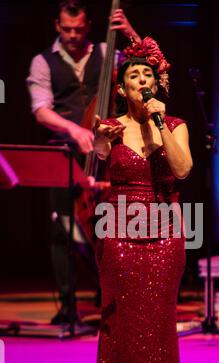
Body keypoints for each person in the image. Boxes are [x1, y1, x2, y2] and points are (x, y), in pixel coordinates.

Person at [91, 36, 193, 363]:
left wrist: (158, 123)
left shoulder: (174, 125)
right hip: (119, 232)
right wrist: (100, 134)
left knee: (157, 324)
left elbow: (182, 169)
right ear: (122, 88)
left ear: (157, 83)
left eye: (147, 74)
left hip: (165, 234)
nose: (141, 80)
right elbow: (97, 150)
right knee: (122, 322)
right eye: (133, 75)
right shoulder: (113, 129)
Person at [26, 0, 140, 325]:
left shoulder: (106, 52)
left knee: (109, 226)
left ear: (88, 25)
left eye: (78, 29)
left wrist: (129, 32)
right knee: (62, 229)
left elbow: (145, 65)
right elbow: (41, 109)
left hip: (106, 154)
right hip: (64, 154)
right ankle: (67, 306)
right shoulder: (42, 62)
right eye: (66, 29)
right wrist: (74, 128)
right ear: (56, 26)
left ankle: (114, 300)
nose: (73, 35)